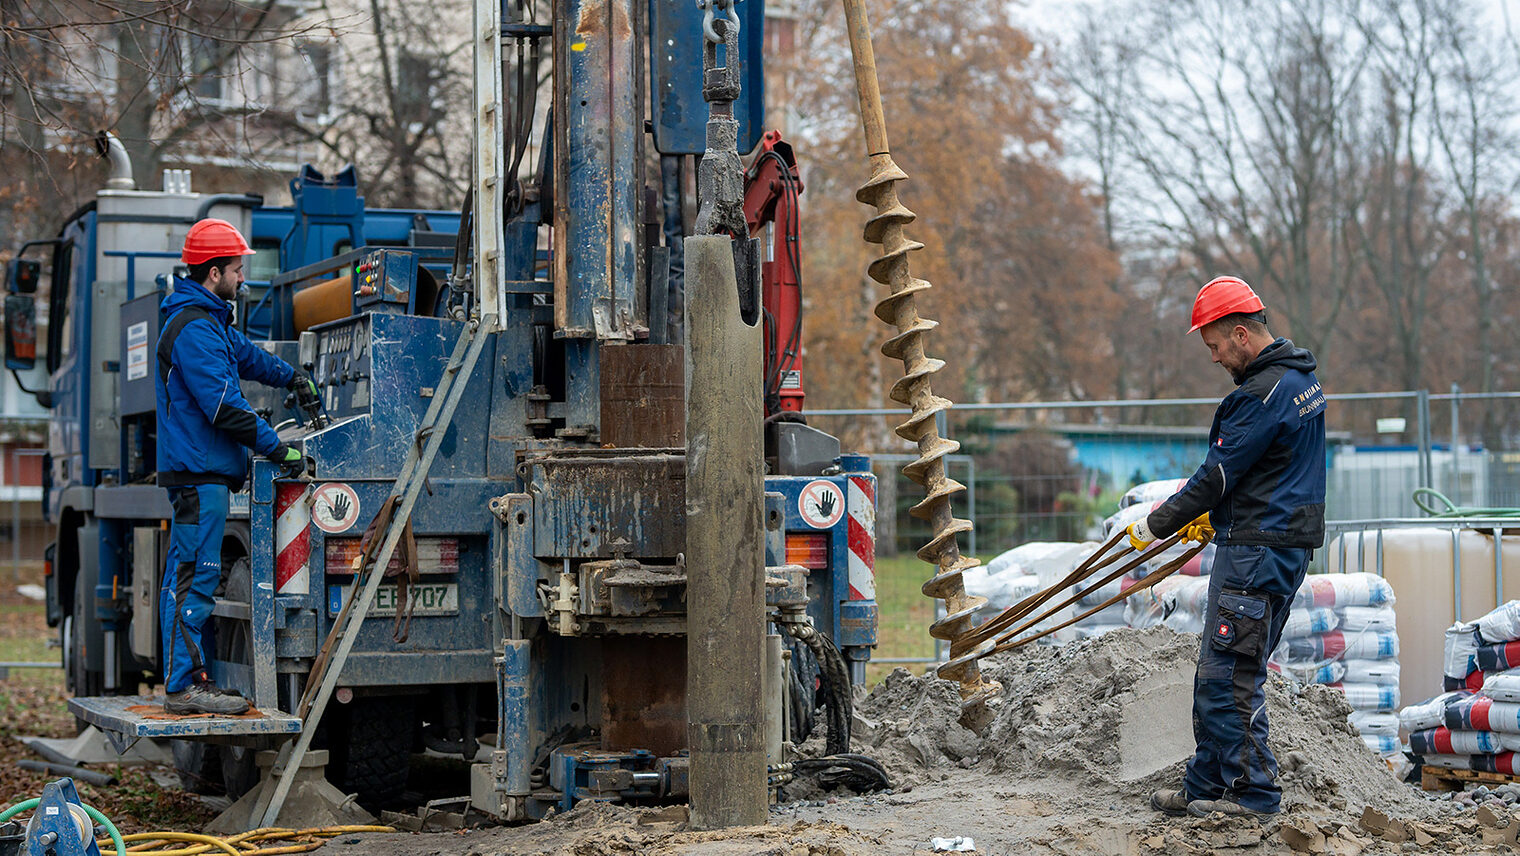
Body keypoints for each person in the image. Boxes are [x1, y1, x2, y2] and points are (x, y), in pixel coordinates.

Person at [1130, 276, 1327, 818]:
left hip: (1256, 552)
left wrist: (1159, 523)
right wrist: (1221, 519)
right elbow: (1265, 471)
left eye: (1214, 346)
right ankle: (1207, 786)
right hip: (1274, 544)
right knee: (1220, 669)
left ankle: (1253, 795)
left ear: (1241, 334)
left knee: (1230, 677)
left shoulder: (1261, 396)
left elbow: (1218, 475)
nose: (1214, 358)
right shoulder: (1299, 382)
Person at [155, 218, 318, 715]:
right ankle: (184, 687)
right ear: (213, 272)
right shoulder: (193, 330)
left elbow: (247, 358)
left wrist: (294, 377)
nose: (243, 276)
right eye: (237, 267)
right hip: (200, 476)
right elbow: (225, 407)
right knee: (195, 580)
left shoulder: (209, 322)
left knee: (187, 578)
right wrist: (279, 449)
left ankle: (189, 679)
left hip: (203, 475)